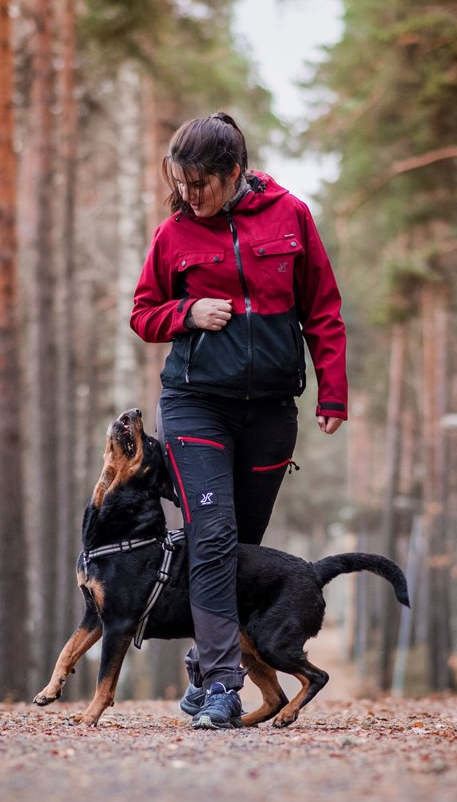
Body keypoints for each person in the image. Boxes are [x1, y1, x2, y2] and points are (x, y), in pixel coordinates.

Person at [130, 111, 347, 729]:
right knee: (213, 535)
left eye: (200, 184)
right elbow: (144, 314)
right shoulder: (172, 234)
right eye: (180, 183)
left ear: (234, 173)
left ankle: (206, 669)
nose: (188, 195)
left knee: (240, 550)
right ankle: (223, 686)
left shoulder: (291, 216)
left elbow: (323, 308)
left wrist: (333, 393)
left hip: (271, 411)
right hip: (196, 402)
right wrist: (188, 311)